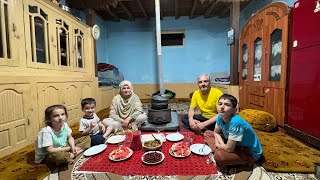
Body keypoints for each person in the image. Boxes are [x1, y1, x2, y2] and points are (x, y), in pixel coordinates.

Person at [204, 94, 263, 172]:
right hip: (231, 144)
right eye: (220, 104)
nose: (222, 107)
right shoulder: (219, 116)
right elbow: (216, 133)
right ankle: (224, 155)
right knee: (207, 133)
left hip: (248, 151)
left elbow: (229, 149)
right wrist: (222, 144)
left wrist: (218, 145)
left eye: (227, 105)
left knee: (219, 156)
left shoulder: (236, 122)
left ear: (234, 110)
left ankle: (246, 162)